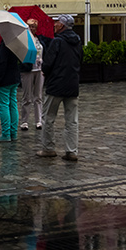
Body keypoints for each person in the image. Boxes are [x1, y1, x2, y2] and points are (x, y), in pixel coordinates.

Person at [38, 14, 83, 161]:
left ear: (62, 26)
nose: (55, 24)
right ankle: (72, 151)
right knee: (72, 120)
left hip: (56, 85)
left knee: (48, 118)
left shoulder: (57, 41)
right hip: (72, 84)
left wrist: (45, 69)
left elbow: (48, 64)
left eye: (57, 22)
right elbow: (80, 60)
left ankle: (48, 148)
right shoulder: (77, 41)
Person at [0, 37, 21, 142]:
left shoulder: (4, 46)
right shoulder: (15, 44)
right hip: (14, 78)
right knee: (12, 105)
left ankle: (6, 133)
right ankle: (13, 133)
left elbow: (1, 64)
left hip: (4, 81)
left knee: (4, 106)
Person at [18, 31, 44, 130]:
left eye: (34, 27)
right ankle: (24, 121)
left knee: (38, 96)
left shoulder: (40, 39)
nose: (32, 29)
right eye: (30, 27)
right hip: (28, 70)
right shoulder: (24, 40)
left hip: (39, 70)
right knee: (26, 96)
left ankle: (39, 120)